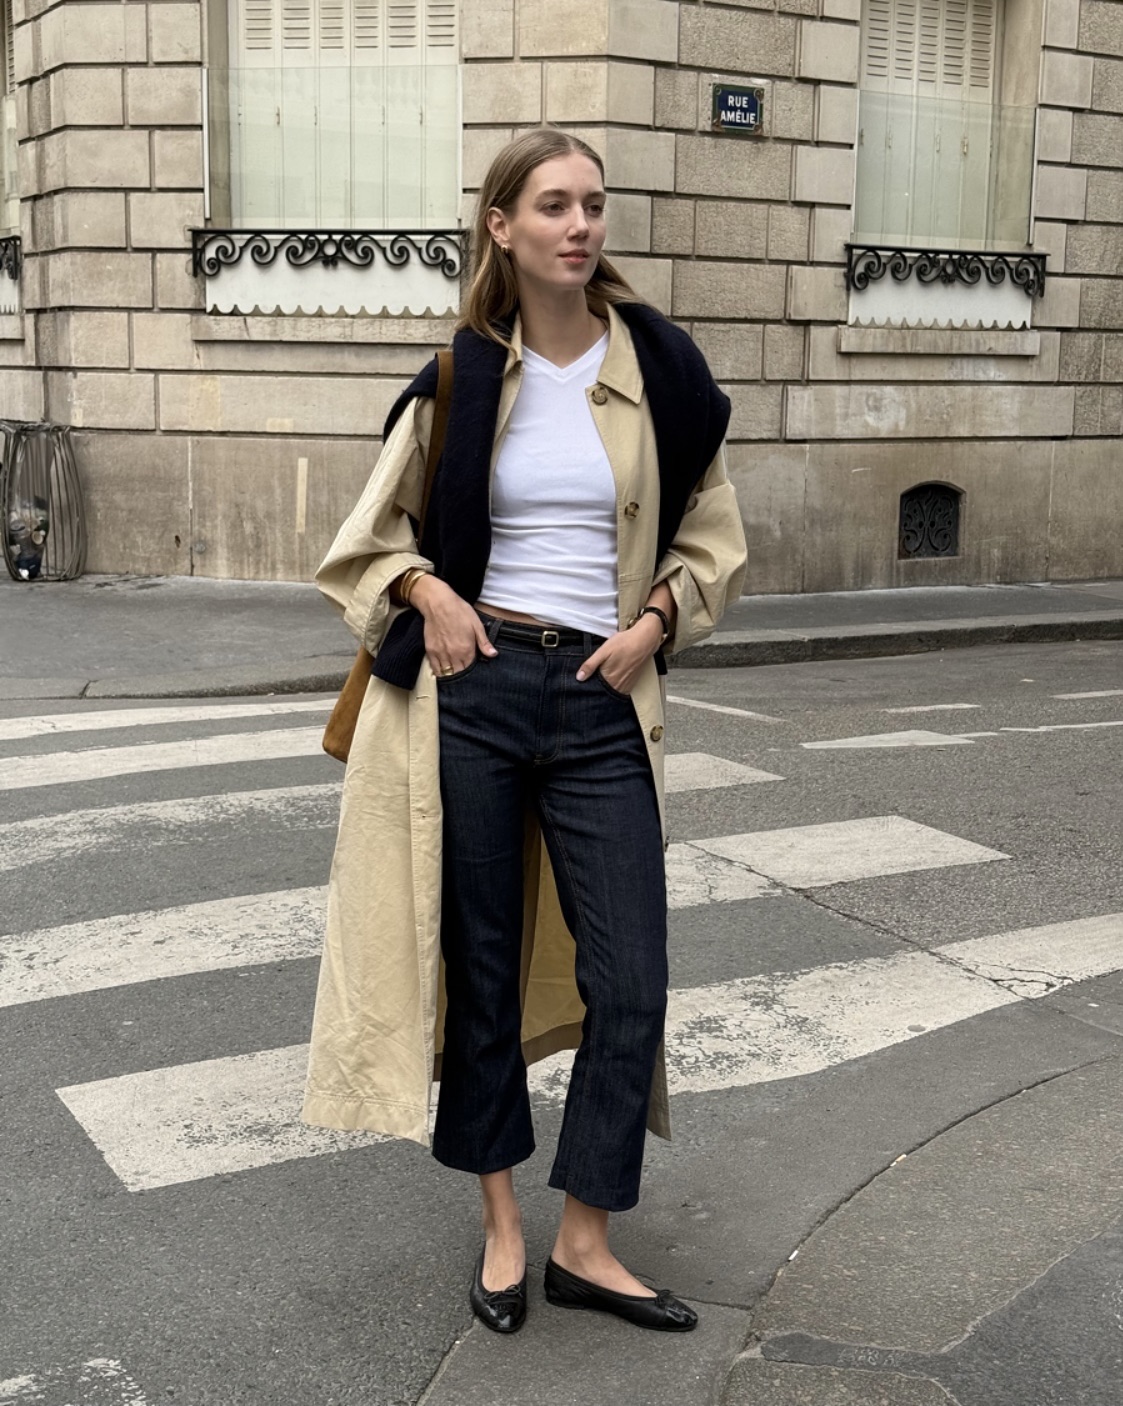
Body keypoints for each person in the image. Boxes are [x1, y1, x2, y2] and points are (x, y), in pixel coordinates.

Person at [303, 128, 748, 1336]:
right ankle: (506, 1225)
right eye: (553, 204)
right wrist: (430, 593)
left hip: (603, 692)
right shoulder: (461, 375)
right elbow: (364, 544)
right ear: (501, 225)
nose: (580, 224)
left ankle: (585, 1239)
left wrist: (657, 620)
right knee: (483, 970)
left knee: (632, 979)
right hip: (478, 689)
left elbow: (712, 536)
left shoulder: (663, 372)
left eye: (593, 203)